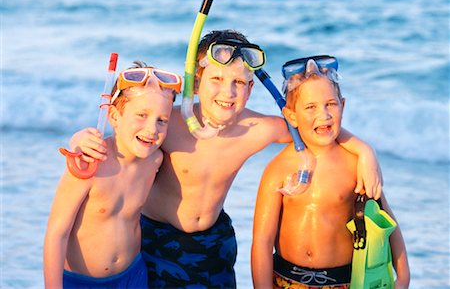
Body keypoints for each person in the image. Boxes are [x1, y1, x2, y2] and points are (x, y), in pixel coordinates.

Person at [69, 30, 383, 288]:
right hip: (157, 242)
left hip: (213, 244)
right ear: (196, 82)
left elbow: (317, 128)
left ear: (249, 88)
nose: (228, 92)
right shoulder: (170, 124)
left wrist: (364, 150)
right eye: (217, 80)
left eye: (238, 84)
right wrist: (81, 138)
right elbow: (125, 135)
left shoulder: (256, 128)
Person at [251, 56, 410, 288]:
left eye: (330, 104)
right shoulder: (278, 169)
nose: (324, 115)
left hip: (344, 282)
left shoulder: (355, 165)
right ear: (291, 115)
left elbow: (386, 220)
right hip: (286, 280)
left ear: (342, 106)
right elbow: (262, 241)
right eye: (311, 107)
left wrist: (403, 276)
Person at [43, 61, 181, 288]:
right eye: (141, 115)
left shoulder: (155, 160)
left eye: (161, 120)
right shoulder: (88, 166)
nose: (152, 129)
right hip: (82, 282)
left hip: (134, 275)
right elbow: (56, 234)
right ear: (114, 117)